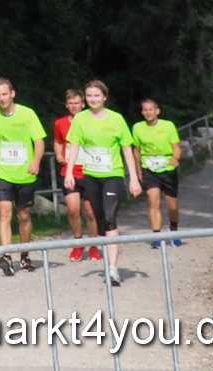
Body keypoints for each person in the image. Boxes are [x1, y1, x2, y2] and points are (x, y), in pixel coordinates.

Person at [62, 79, 142, 286]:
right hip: (90, 176)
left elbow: (127, 149)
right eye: (89, 96)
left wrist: (133, 178)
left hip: (113, 175)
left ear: (104, 97)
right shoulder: (80, 119)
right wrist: (69, 173)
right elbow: (74, 146)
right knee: (99, 220)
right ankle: (107, 258)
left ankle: (113, 269)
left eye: (96, 95)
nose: (93, 99)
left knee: (109, 217)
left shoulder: (116, 119)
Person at [0, 78, 45, 277]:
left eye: (4, 94)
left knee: (23, 215)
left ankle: (24, 255)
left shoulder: (27, 114)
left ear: (13, 94)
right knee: (4, 212)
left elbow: (39, 140)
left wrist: (36, 161)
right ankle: (6, 256)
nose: (1, 98)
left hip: (25, 174)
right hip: (2, 173)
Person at [53, 88, 101, 262]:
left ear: (83, 104)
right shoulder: (60, 123)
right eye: (70, 103)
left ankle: (94, 245)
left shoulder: (92, 121)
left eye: (77, 103)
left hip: (90, 171)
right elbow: (58, 141)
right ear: (66, 105)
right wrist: (58, 154)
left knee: (91, 212)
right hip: (70, 172)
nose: (74, 106)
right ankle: (78, 243)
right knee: (73, 210)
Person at [133, 98, 182, 245]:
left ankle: (174, 230)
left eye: (151, 109)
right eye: (145, 110)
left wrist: (175, 158)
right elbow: (136, 151)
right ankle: (156, 235)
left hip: (167, 168)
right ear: (142, 112)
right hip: (149, 168)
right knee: (153, 200)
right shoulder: (138, 128)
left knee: (172, 205)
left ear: (157, 111)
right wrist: (138, 172)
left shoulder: (168, 126)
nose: (148, 112)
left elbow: (176, 147)